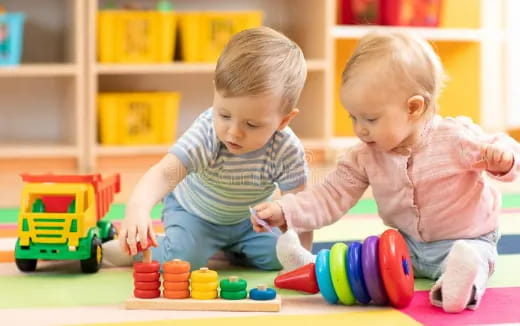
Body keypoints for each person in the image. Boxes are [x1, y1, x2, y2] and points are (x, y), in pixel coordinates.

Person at [252, 30, 520, 313]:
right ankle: (314, 268)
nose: (359, 129)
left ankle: (454, 287)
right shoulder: (364, 155)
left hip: (468, 238)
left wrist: (503, 159)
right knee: (367, 264)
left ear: (414, 108)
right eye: (353, 117)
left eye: (370, 118)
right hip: (408, 246)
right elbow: (330, 194)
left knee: (476, 258)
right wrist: (286, 211)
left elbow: (503, 148)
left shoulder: (456, 138)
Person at [103, 26, 312, 271]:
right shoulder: (207, 135)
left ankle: (232, 250)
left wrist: (301, 257)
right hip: (194, 214)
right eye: (224, 114)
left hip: (249, 222)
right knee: (179, 262)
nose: (233, 132)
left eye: (252, 124)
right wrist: (137, 209)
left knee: (281, 256)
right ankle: (132, 249)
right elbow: (162, 174)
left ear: (284, 121)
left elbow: (299, 209)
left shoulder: (287, 150)